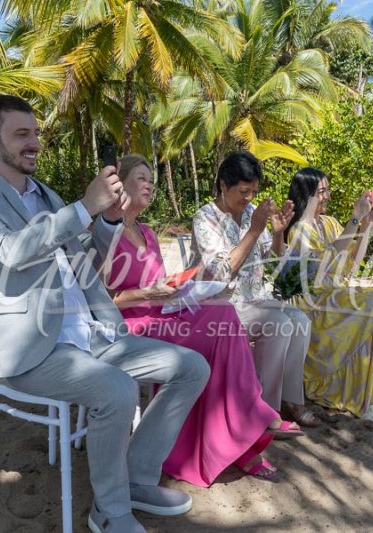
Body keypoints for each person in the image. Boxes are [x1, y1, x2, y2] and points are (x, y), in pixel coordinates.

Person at [0, 95, 210, 533]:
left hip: (91, 334)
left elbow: (83, 261)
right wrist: (83, 208)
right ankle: (109, 509)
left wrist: (106, 221)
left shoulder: (45, 194)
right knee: (118, 391)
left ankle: (137, 479)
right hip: (34, 351)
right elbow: (10, 252)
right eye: (21, 134)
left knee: (191, 367)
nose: (35, 143)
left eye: (36, 132)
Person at [99, 154, 305, 485]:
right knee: (223, 322)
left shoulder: (148, 233)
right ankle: (247, 431)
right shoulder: (105, 234)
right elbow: (103, 299)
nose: (150, 184)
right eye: (141, 178)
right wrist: (147, 293)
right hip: (131, 324)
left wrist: (176, 286)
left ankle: (245, 425)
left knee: (224, 318)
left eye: (151, 177)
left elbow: (162, 285)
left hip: (164, 312)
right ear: (118, 184)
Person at [190, 151, 320, 427]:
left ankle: (291, 399)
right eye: (243, 191)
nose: (249, 198)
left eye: (254, 192)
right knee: (277, 324)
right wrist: (254, 230)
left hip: (253, 299)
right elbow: (221, 273)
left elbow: (273, 259)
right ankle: (263, 409)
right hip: (218, 306)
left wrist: (276, 233)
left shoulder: (250, 212)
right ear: (223, 185)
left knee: (299, 320)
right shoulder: (205, 219)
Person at [284, 167, 373, 420]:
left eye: (327, 190)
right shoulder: (299, 230)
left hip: (336, 292)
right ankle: (356, 393)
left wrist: (367, 223)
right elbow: (327, 264)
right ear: (306, 195)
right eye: (321, 192)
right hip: (314, 301)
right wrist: (354, 218)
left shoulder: (328, 223)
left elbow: (351, 263)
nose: (327, 196)